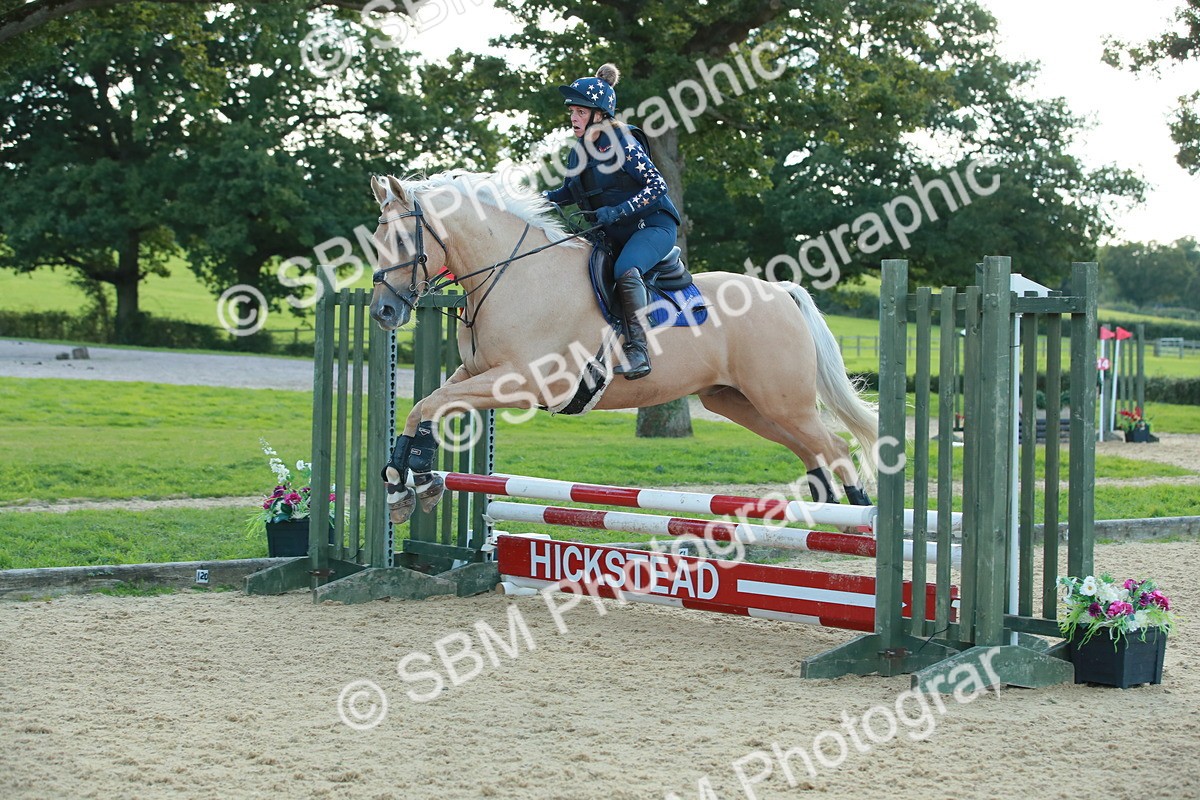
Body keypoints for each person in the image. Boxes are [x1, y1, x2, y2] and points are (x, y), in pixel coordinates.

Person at [542, 63, 681, 380]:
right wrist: (534, 198)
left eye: (579, 112)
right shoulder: (580, 152)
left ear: (599, 114)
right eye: (572, 112)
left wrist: (619, 210)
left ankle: (638, 351)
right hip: (614, 235)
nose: (573, 118)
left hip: (653, 227)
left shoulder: (623, 143)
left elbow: (658, 186)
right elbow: (567, 192)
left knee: (624, 270)